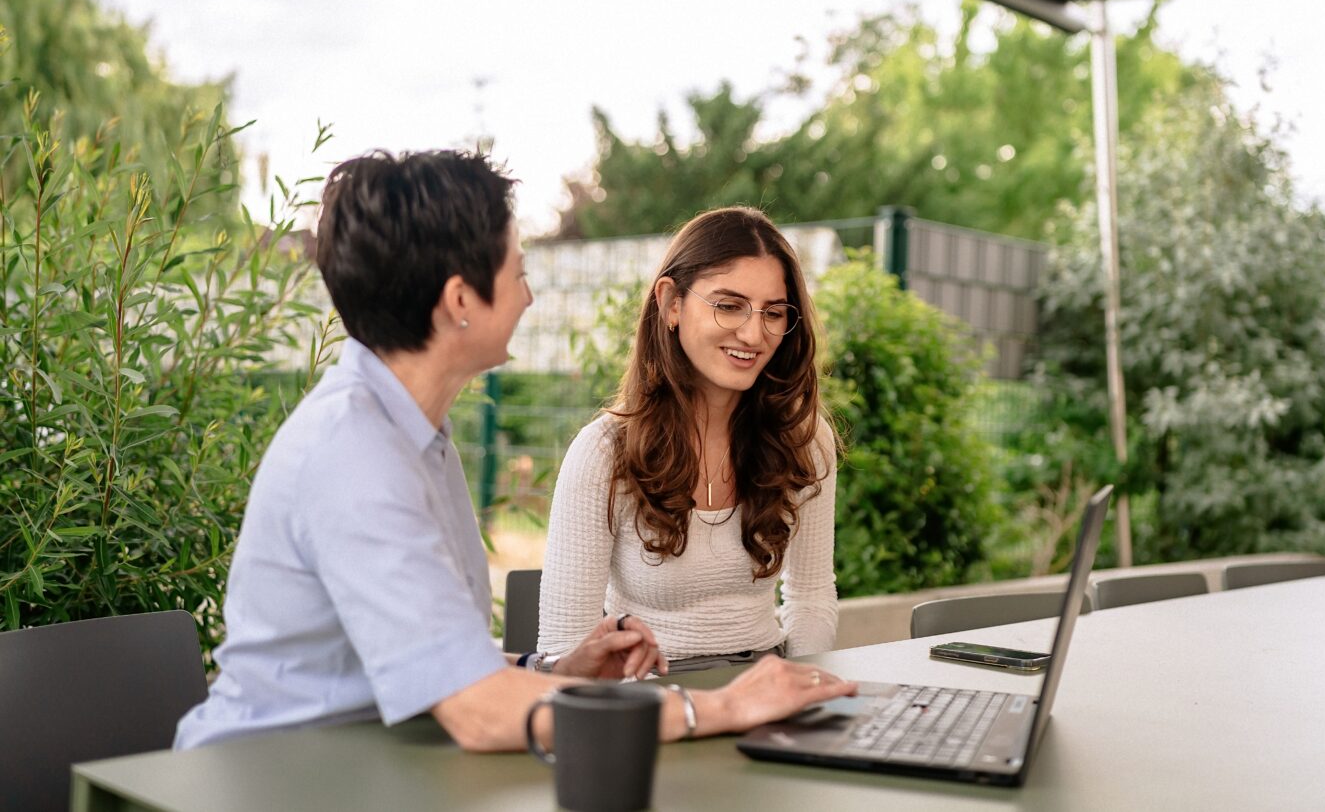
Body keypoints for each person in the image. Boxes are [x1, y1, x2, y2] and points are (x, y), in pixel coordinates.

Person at [174, 151, 854, 752]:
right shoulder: (354, 456)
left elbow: (437, 663)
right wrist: (724, 706)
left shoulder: (413, 437)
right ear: (461, 299)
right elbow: (475, 713)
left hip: (365, 762)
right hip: (268, 778)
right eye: (517, 272)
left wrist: (554, 671)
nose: (530, 295)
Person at [538, 207, 839, 672]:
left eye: (774, 313)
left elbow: (811, 595)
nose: (754, 333)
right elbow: (565, 649)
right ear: (671, 303)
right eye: (728, 305)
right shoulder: (603, 452)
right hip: (648, 700)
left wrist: (801, 687)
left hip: (768, 682)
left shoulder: (804, 437)